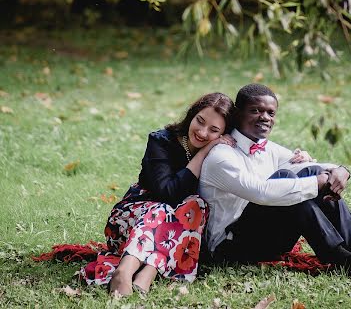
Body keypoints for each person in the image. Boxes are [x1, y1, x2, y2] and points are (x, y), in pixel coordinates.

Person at [199, 83, 351, 275]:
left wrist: (339, 170)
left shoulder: (266, 147)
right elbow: (261, 193)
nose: (265, 118)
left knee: (302, 175)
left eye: (271, 113)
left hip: (263, 237)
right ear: (237, 114)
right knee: (285, 185)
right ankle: (337, 256)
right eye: (255, 111)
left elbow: (306, 167)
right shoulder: (221, 156)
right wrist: (317, 182)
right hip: (228, 247)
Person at [81, 92, 235, 297]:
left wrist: (291, 157)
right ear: (191, 115)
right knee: (163, 208)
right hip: (132, 220)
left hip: (174, 227)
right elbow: (167, 193)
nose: (202, 132)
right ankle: (124, 270)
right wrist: (202, 154)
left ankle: (148, 272)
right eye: (200, 121)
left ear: (223, 134)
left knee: (197, 205)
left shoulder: (220, 154)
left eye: (214, 130)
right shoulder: (160, 141)